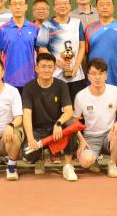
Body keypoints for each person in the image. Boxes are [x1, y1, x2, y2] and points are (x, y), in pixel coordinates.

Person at [22, 53, 80, 181]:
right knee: (28, 153)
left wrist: (59, 123)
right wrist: (30, 138)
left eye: (50, 67)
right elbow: (26, 115)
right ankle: (39, 158)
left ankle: (68, 166)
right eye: (43, 66)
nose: (46, 70)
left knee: (71, 124)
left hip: (56, 130)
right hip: (38, 130)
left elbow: (69, 111)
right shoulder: (28, 88)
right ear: (36, 68)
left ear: (54, 69)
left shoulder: (61, 85)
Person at [74, 58, 117, 177]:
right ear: (88, 76)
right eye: (93, 73)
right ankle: (94, 159)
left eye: (101, 73)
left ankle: (112, 164)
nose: (97, 77)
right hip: (90, 137)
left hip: (110, 135)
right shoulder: (80, 96)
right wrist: (81, 140)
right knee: (85, 162)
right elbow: (74, 122)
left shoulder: (115, 91)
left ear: (106, 75)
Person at [37, 0, 86, 99]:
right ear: (54, 7)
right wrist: (58, 62)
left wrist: (76, 67)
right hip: (55, 74)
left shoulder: (77, 23)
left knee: (76, 104)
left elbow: (82, 46)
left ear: (70, 6)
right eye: (59, 4)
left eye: (65, 3)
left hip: (75, 74)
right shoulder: (47, 25)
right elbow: (42, 48)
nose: (62, 6)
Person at [83, 0, 117, 92]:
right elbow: (84, 55)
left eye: (108, 4)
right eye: (101, 4)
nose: (105, 7)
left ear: (113, 7)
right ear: (97, 8)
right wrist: (85, 76)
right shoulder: (89, 28)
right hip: (94, 79)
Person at [0, 0, 42, 89]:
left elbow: (40, 53)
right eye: (14, 4)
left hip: (30, 79)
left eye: (21, 4)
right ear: (10, 7)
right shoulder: (2, 29)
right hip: (8, 80)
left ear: (26, 7)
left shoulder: (34, 29)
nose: (18, 7)